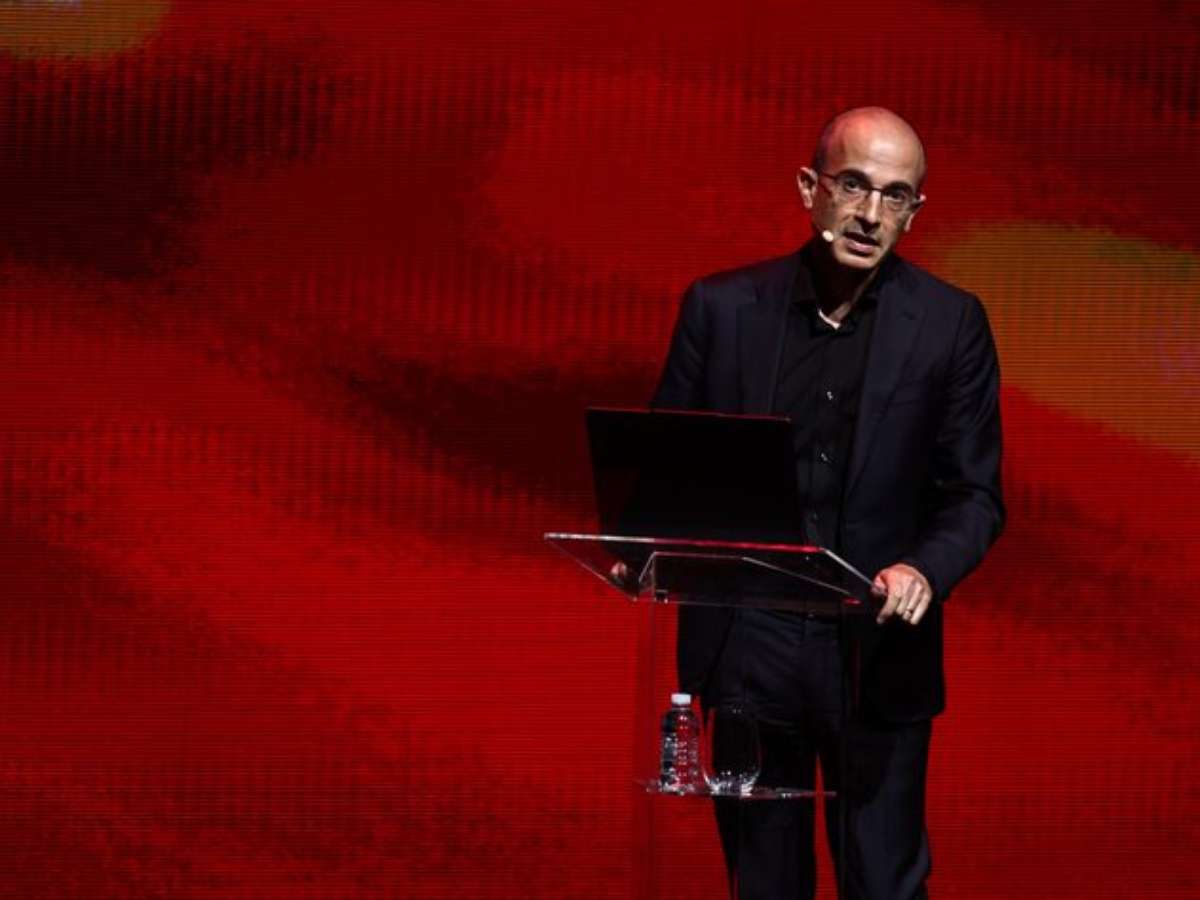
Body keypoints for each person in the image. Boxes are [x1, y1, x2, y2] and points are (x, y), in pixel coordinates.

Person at [650, 107, 1005, 899]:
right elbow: (666, 475)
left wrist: (923, 568)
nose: (871, 214)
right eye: (853, 185)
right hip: (749, 647)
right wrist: (651, 539)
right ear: (811, 187)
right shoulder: (722, 310)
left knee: (883, 883)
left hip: (876, 646)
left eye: (895, 196)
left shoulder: (950, 325)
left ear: (915, 212)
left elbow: (975, 494)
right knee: (764, 884)